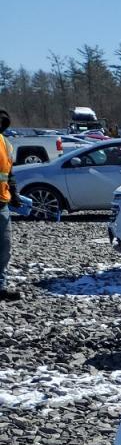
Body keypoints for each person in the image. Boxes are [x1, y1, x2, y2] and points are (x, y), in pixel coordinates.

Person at [0, 108, 20, 302]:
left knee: (4, 248)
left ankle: (0, 286)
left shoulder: (6, 144)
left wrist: (14, 193)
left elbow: (9, 173)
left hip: (2, 203)